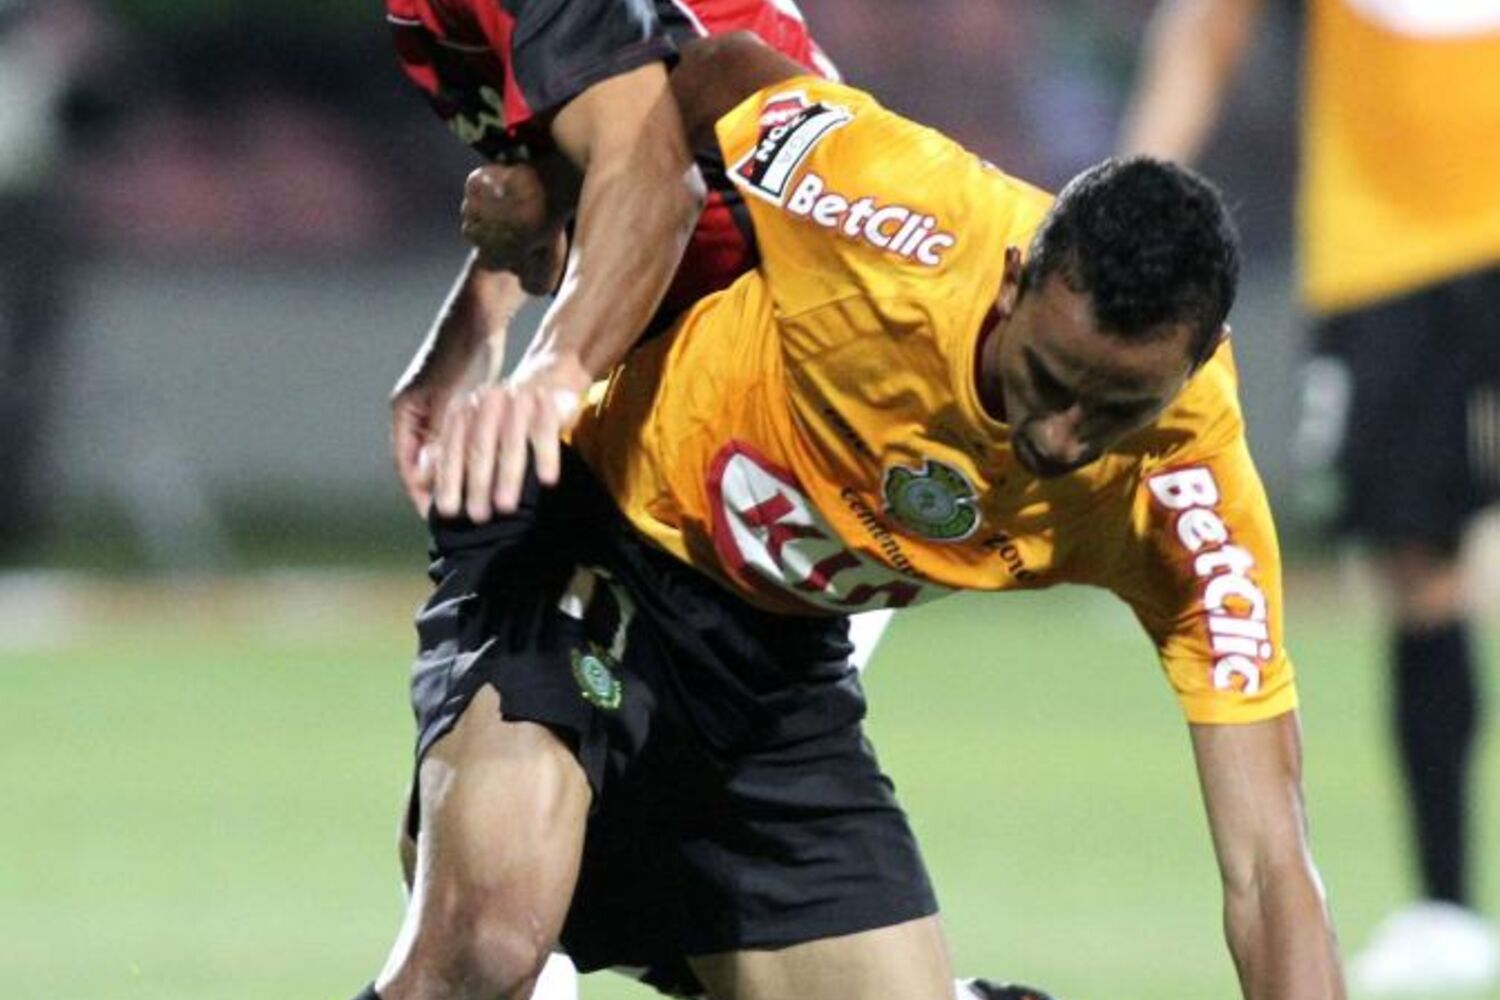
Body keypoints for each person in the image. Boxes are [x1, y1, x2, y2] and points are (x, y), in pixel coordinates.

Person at [354, 31, 1346, 1000]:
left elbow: (1270, 868)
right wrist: (550, 193)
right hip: (591, 522)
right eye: (1046, 379)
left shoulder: (1191, 496)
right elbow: (713, 73)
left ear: (1197, 364)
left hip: (775, 668)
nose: (1059, 436)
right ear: (1014, 284)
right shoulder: (895, 208)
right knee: (489, 942)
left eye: (1117, 409)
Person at [1119, 1, 1500, 993]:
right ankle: (1448, 906)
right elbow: (1208, 29)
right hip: (1387, 251)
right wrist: (1130, 196)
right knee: (1416, 564)